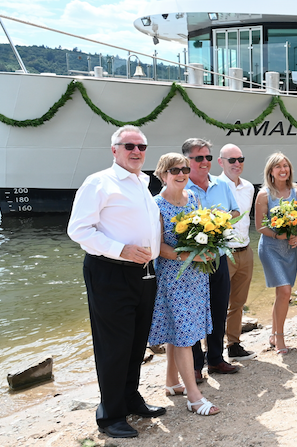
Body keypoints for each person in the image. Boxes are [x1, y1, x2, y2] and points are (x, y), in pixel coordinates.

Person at [67, 125, 165, 439]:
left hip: (144, 272)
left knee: (136, 341)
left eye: (141, 146)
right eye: (129, 146)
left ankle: (131, 398)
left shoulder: (143, 183)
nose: (136, 151)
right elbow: (78, 230)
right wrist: (120, 249)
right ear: (114, 150)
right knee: (114, 345)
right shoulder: (99, 182)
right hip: (110, 271)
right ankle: (110, 415)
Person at [148, 153, 219, 416]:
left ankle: (171, 382)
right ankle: (194, 397)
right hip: (173, 277)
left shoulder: (194, 198)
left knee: (179, 331)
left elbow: (204, 233)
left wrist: (210, 247)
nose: (181, 174)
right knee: (184, 336)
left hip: (197, 276)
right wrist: (189, 256)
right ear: (162, 174)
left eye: (185, 170)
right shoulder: (156, 205)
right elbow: (157, 247)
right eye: (174, 170)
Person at [182, 138, 241, 381]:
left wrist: (221, 219)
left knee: (218, 307)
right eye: (199, 158)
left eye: (207, 157)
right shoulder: (181, 186)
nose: (205, 162)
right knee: (195, 311)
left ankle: (216, 359)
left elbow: (236, 211)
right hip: (193, 262)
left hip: (218, 258)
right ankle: (196, 364)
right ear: (187, 160)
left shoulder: (222, 185)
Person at [255, 152, 297, 354]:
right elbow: (259, 226)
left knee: (281, 293)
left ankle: (274, 334)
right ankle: (281, 338)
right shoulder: (264, 195)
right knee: (285, 291)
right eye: (278, 166)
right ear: (271, 171)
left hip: (290, 248)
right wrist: (278, 235)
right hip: (271, 248)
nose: (283, 170)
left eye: (286, 166)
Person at [217, 144, 256, 361]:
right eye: (231, 160)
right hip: (223, 252)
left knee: (238, 303)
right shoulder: (214, 186)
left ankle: (233, 344)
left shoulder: (249, 187)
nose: (237, 164)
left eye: (240, 159)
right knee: (217, 303)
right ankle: (212, 351)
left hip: (245, 250)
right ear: (220, 162)